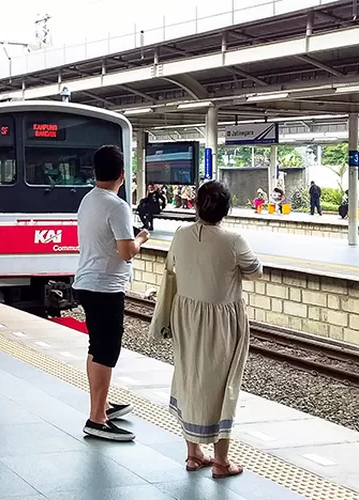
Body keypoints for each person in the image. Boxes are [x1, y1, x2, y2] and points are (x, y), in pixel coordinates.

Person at [166, 180, 262, 478]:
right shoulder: (233, 240)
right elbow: (256, 272)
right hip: (222, 322)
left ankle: (194, 454)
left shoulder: (180, 235)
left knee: (189, 376)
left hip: (185, 315)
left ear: (196, 206)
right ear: (227, 209)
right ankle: (221, 462)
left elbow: (172, 267)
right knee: (223, 385)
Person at [74, 145, 150, 441]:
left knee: (96, 347)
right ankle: (97, 419)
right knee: (107, 351)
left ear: (94, 172)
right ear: (121, 174)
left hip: (87, 282)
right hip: (106, 286)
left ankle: (102, 404)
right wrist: (141, 237)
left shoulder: (88, 200)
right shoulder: (118, 206)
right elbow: (126, 252)